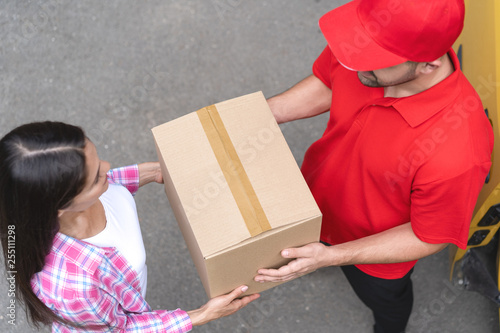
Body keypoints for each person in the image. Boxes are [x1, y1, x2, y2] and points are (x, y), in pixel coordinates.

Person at [254, 0, 493, 332]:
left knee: (388, 302)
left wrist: (333, 257)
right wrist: (263, 114)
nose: (354, 62)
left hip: (371, 257)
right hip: (313, 202)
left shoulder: (459, 150)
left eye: (373, 59)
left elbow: (429, 236)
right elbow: (328, 82)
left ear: (429, 64)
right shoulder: (367, 53)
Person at [0, 121, 259, 332]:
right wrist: (201, 315)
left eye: (97, 159)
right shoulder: (73, 288)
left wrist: (156, 171)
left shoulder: (67, 194)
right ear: (60, 207)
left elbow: (110, 180)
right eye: (96, 179)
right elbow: (121, 329)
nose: (108, 168)